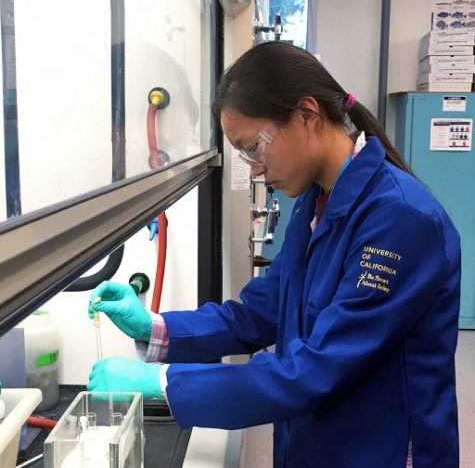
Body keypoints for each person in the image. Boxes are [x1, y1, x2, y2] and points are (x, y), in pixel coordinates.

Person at [87, 41, 460, 468]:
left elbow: (318, 370)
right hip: (315, 441)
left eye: (254, 147)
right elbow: (261, 313)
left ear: (306, 114)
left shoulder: (400, 220)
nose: (255, 167)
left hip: (379, 450)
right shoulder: (316, 201)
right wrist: (157, 329)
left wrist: (163, 382)